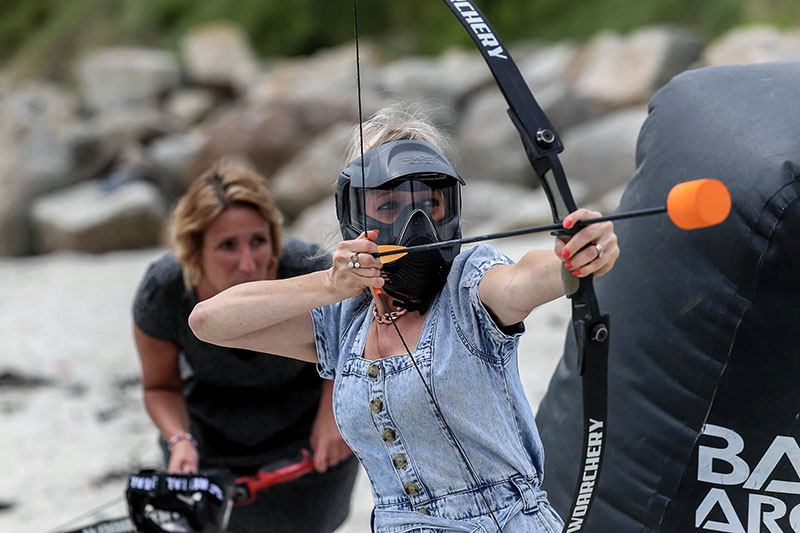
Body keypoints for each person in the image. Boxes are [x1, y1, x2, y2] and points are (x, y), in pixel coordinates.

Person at [188, 107, 620, 532]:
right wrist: (331, 286)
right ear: (355, 215)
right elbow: (209, 322)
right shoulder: (345, 322)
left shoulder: (469, 287)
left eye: (429, 204)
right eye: (389, 205)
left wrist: (574, 259)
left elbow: (524, 279)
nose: (414, 225)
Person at [132, 165, 359, 533]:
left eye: (258, 241)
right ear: (194, 249)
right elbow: (159, 387)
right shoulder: (164, 290)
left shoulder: (308, 269)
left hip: (308, 437)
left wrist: (332, 415)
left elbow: (350, 346)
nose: (249, 263)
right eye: (227, 246)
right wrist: (180, 439)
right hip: (209, 442)